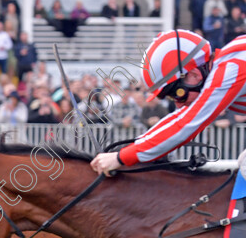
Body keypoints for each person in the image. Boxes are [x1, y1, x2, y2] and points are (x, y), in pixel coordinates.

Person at [91, 30, 246, 174]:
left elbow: (185, 123)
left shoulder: (231, 69)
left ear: (194, 75)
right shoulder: (228, 65)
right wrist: (128, 149)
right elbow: (180, 117)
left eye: (176, 94)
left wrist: (121, 157)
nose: (178, 104)